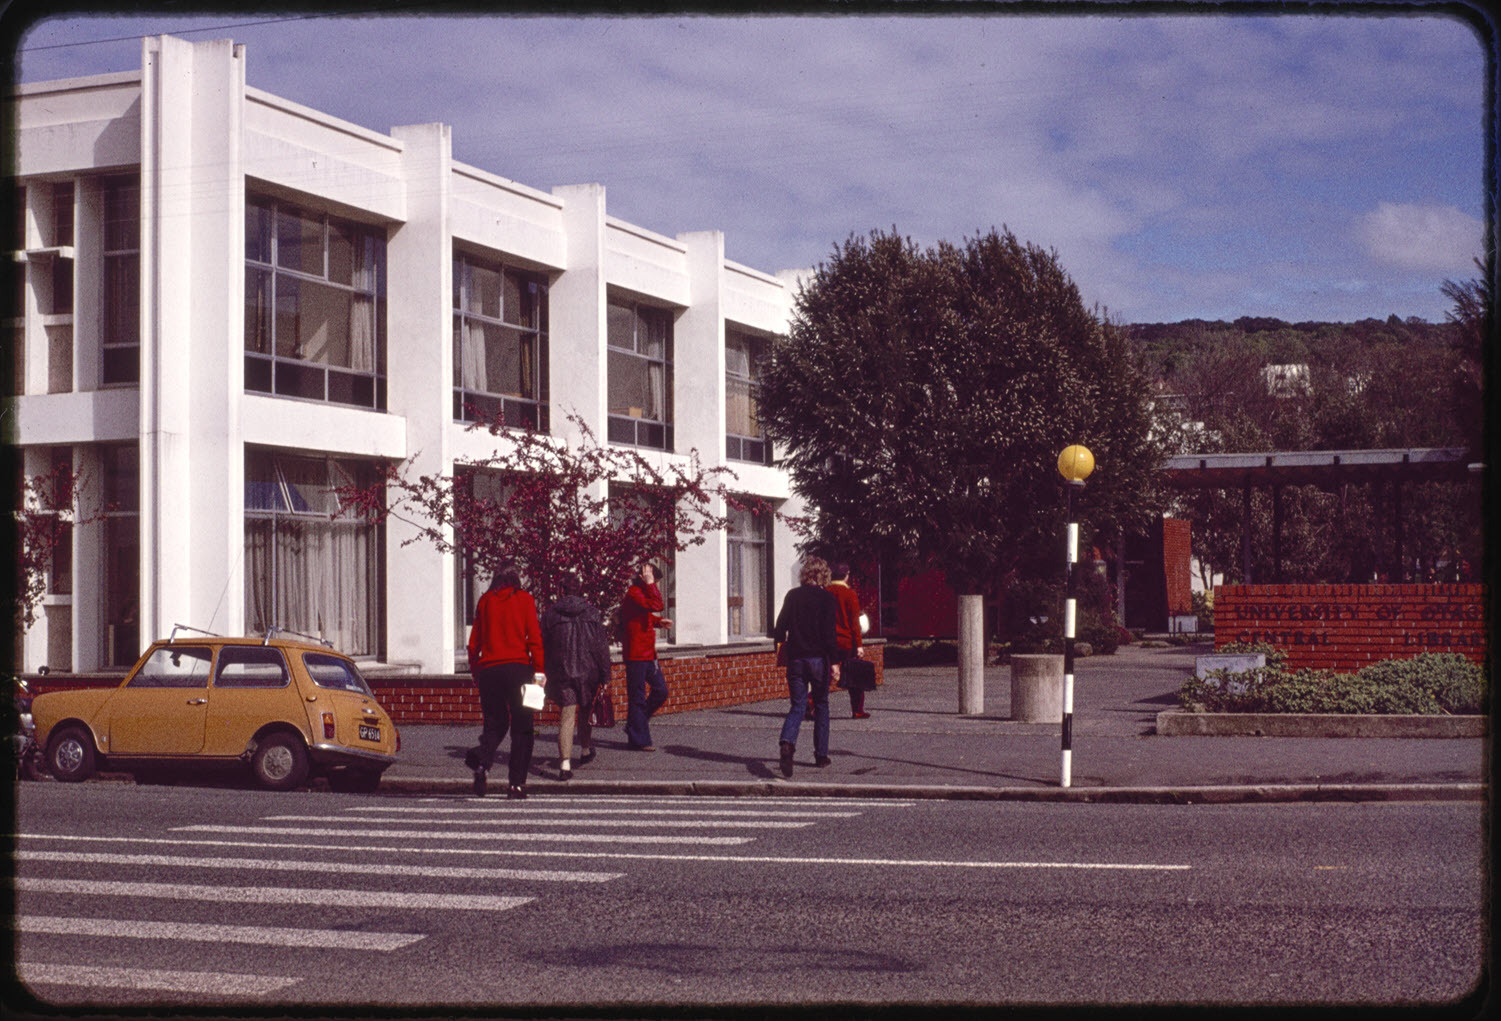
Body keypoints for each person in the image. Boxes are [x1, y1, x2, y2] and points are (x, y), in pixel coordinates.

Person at [464, 563, 544, 799]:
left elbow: (473, 643)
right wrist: (539, 672)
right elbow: (534, 639)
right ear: (516, 578)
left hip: (489, 670)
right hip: (518, 669)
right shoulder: (524, 600)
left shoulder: (485, 601)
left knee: (494, 723)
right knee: (523, 728)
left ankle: (482, 760)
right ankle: (516, 785)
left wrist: (475, 670)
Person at [772, 555, 841, 778]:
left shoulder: (792, 596)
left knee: (798, 706)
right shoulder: (827, 599)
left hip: (796, 659)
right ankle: (821, 755)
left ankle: (787, 743)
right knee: (821, 705)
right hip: (818, 660)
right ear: (824, 575)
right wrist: (836, 662)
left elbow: (779, 627)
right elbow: (830, 635)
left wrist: (781, 647)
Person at [541, 571, 611, 780]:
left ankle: (564, 764)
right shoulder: (591, 613)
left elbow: (542, 645)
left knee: (567, 716)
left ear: (561, 589)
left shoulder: (551, 614)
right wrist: (606, 676)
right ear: (579, 589)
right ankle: (586, 750)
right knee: (585, 713)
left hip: (562, 672)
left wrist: (540, 671)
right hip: (589, 672)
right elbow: (601, 648)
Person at [619, 561, 672, 751]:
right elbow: (657, 604)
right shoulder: (634, 593)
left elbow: (644, 615)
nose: (655, 585)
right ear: (644, 578)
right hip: (636, 654)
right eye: (653, 581)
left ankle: (635, 724)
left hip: (648, 653)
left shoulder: (641, 594)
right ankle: (639, 739)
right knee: (638, 697)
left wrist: (658, 622)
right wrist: (650, 583)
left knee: (661, 691)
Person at [827, 560, 870, 718]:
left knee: (825, 677)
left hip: (829, 642)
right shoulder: (850, 594)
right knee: (855, 677)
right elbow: (854, 623)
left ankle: (813, 703)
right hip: (846, 642)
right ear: (846, 575)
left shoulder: (826, 591)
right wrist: (859, 645)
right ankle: (857, 710)